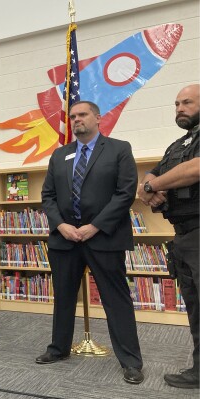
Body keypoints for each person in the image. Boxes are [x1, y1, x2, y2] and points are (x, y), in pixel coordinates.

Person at [37, 101, 144, 384]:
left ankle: (131, 362)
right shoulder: (60, 155)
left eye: (82, 114)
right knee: (63, 297)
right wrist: (62, 225)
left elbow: (125, 193)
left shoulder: (119, 149)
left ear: (97, 118)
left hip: (104, 238)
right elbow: (47, 196)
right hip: (65, 239)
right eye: (72, 116)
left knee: (115, 300)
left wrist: (93, 227)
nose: (76, 120)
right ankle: (58, 349)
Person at [137, 83, 199, 389]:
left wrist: (152, 185)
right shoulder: (177, 144)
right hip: (183, 236)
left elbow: (193, 170)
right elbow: (153, 172)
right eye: (176, 104)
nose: (179, 108)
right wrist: (146, 186)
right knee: (196, 308)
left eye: (186, 102)